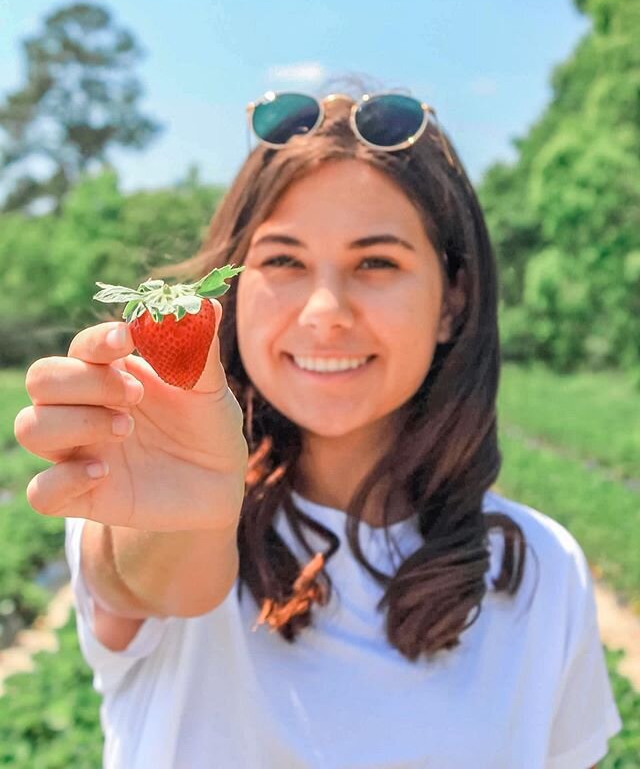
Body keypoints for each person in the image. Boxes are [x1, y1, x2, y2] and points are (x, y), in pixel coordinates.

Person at [15, 87, 622, 768]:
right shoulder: (149, 489)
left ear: (453, 300)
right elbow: (159, 577)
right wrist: (189, 511)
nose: (326, 310)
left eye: (376, 262)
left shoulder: (542, 571)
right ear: (235, 291)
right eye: (283, 260)